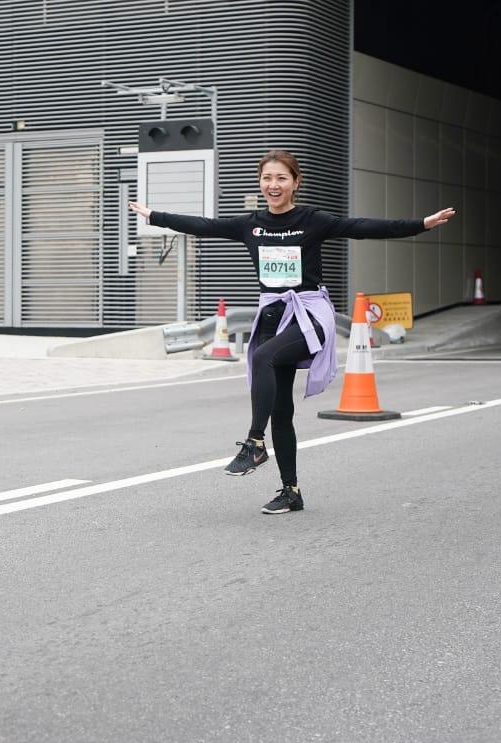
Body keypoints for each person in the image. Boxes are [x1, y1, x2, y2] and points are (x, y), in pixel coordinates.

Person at [130, 149, 454, 515]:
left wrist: (421, 224)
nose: (273, 185)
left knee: (262, 357)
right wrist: (155, 216)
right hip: (273, 316)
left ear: (295, 183)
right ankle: (291, 491)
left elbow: (363, 227)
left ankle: (255, 443)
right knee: (281, 411)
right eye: (267, 178)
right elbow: (203, 225)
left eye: (281, 178)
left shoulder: (312, 220)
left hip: (308, 313)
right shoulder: (250, 225)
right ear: (260, 183)